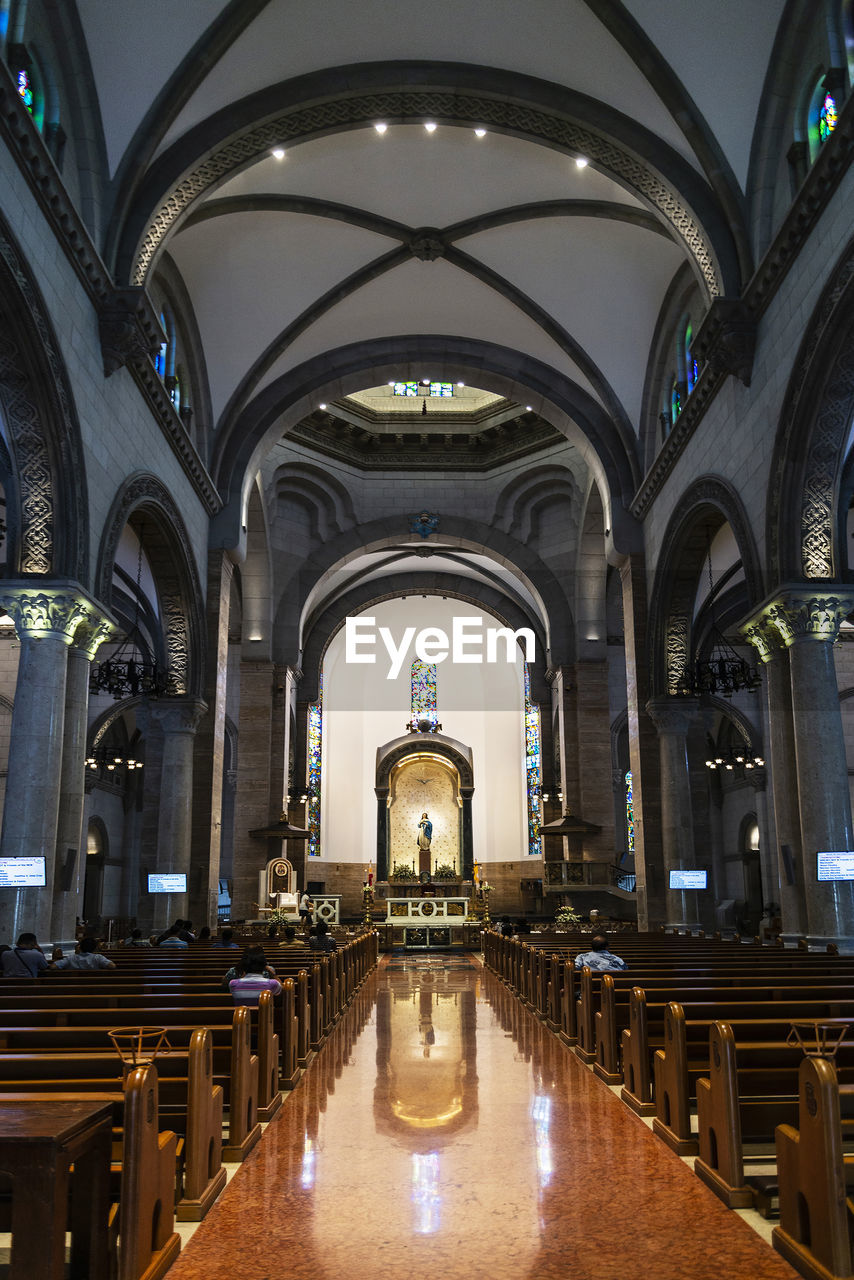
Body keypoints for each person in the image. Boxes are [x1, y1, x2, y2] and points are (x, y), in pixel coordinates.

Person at [51, 936, 116, 970]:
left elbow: (53, 967)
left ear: (80, 948)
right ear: (94, 948)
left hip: (73, 986)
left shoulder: (71, 958)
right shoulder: (98, 957)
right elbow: (112, 966)